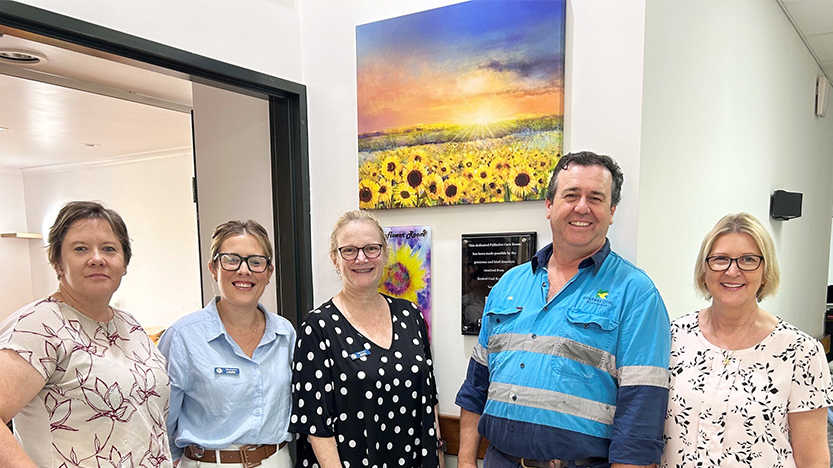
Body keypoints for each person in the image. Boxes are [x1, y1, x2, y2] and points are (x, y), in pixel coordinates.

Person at [455, 151, 671, 468]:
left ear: (612, 211)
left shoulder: (637, 294)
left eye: (596, 198)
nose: (582, 207)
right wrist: (464, 461)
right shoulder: (508, 285)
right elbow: (476, 385)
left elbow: (641, 416)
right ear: (549, 205)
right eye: (571, 195)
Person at [0, 201, 172, 467]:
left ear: (124, 263)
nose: (97, 258)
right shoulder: (39, 326)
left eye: (109, 249)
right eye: (80, 249)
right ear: (57, 263)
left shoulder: (130, 326)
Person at [661, 213, 832, 468]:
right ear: (704, 269)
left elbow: (813, 460)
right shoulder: (671, 337)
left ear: (765, 272)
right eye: (720, 259)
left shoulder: (801, 352)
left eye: (748, 260)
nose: (732, 270)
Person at [289, 210, 443, 468]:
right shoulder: (318, 327)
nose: (361, 258)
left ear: (384, 254)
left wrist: (437, 455)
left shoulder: (410, 315)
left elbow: (428, 398)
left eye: (371, 248)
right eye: (349, 250)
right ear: (335, 259)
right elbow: (316, 426)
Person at [158, 220, 295, 468]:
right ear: (213, 268)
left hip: (276, 461)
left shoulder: (285, 334)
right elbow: (161, 420)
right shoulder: (183, 337)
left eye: (256, 262)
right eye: (231, 260)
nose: (244, 271)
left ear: (269, 273)